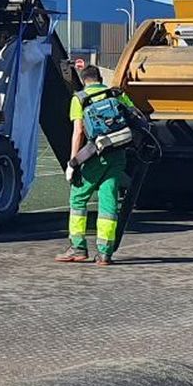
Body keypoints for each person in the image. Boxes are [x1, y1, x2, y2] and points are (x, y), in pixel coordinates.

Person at [56, 65, 136, 266]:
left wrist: (73, 163)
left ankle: (78, 247)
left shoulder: (80, 99)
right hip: (118, 154)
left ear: (84, 81)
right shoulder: (116, 95)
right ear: (100, 78)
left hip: (95, 155)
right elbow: (134, 116)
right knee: (108, 201)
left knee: (78, 197)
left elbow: (78, 132)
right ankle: (105, 253)